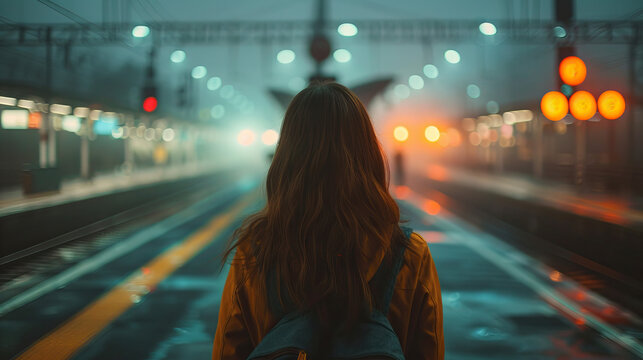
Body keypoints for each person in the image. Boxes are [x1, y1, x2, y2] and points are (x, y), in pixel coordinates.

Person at [212, 82, 443, 359]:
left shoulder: (255, 252)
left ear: (287, 158)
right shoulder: (411, 255)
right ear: (367, 154)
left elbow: (229, 350)